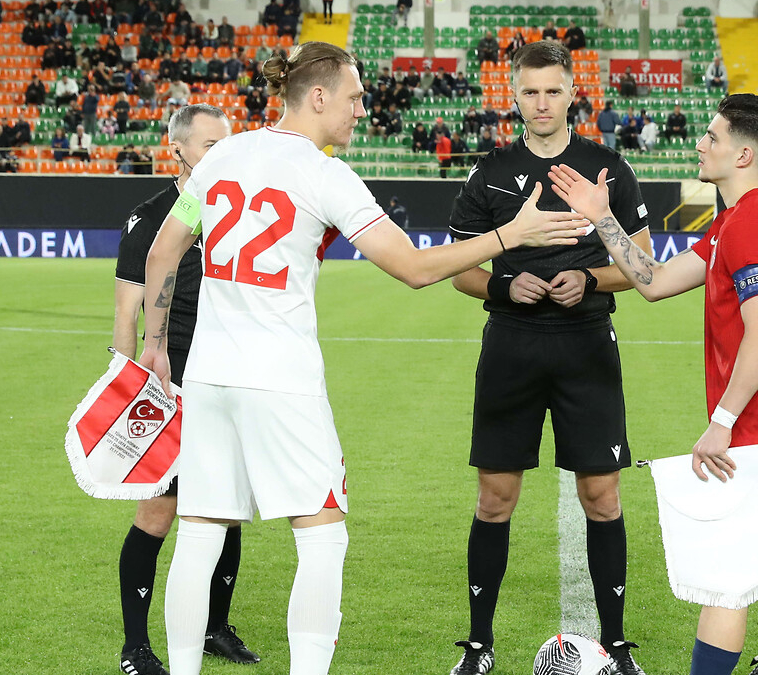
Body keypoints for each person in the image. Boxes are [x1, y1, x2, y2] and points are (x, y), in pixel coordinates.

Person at [135, 40, 584, 675]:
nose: (360, 110)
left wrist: (155, 347)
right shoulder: (323, 174)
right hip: (280, 380)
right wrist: (513, 233)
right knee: (321, 535)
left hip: (207, 375)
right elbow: (416, 267)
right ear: (317, 97)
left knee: (201, 531)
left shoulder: (224, 154)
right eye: (353, 97)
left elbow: (162, 253)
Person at [547, 91, 758, 675]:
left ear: (742, 155)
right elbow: (655, 282)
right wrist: (602, 218)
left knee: (728, 583)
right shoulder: (741, 220)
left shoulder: (755, 222)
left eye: (711, 137)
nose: (699, 143)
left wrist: (722, 423)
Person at [445, 40, 651, 675]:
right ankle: (479, 647)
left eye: (552, 91)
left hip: (587, 344)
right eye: (529, 91)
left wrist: (590, 280)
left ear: (572, 93)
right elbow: (460, 271)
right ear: (514, 96)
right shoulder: (490, 172)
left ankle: (615, 647)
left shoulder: (605, 165)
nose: (541, 103)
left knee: (602, 495)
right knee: (495, 498)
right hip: (511, 344)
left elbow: (641, 266)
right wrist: (504, 285)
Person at [111, 105, 259, 675]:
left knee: (228, 508)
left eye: (226, 144)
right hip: (168, 387)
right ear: (177, 150)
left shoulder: (238, 211)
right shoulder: (148, 219)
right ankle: (135, 647)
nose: (220, 155)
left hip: (231, 378)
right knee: (158, 514)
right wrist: (128, 387)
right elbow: (127, 311)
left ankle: (214, 628)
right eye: (208, 146)